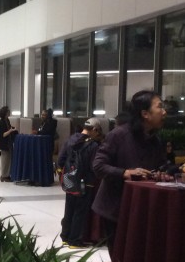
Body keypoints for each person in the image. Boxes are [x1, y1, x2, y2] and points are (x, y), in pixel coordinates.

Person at [91, 90, 167, 253]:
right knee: (120, 259)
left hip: (142, 209)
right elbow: (98, 165)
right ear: (145, 113)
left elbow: (161, 166)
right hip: (116, 209)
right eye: (160, 107)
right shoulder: (119, 135)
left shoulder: (155, 140)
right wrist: (125, 172)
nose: (164, 112)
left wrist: (166, 172)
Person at [58, 117, 105, 248]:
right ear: (94, 130)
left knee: (69, 208)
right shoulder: (93, 145)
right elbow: (94, 166)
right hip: (85, 182)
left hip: (69, 179)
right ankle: (75, 240)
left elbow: (61, 159)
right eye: (98, 131)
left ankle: (65, 237)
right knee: (80, 211)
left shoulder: (71, 139)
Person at [0, 106, 18, 182]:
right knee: (5, 160)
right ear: (5, 113)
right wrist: (11, 131)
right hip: (4, 143)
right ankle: (4, 175)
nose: (9, 112)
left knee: (8, 160)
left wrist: (12, 129)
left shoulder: (7, 120)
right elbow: (3, 134)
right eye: (8, 111)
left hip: (8, 142)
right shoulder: (2, 122)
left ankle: (7, 174)